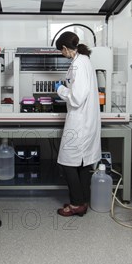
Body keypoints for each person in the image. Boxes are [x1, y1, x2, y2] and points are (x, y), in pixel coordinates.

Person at [54, 31, 101, 217]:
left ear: (65, 48)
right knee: (82, 164)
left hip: (80, 123)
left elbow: (76, 98)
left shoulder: (79, 65)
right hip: (85, 121)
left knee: (67, 163)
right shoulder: (83, 61)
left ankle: (76, 204)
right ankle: (80, 201)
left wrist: (61, 90)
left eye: (61, 51)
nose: (61, 54)